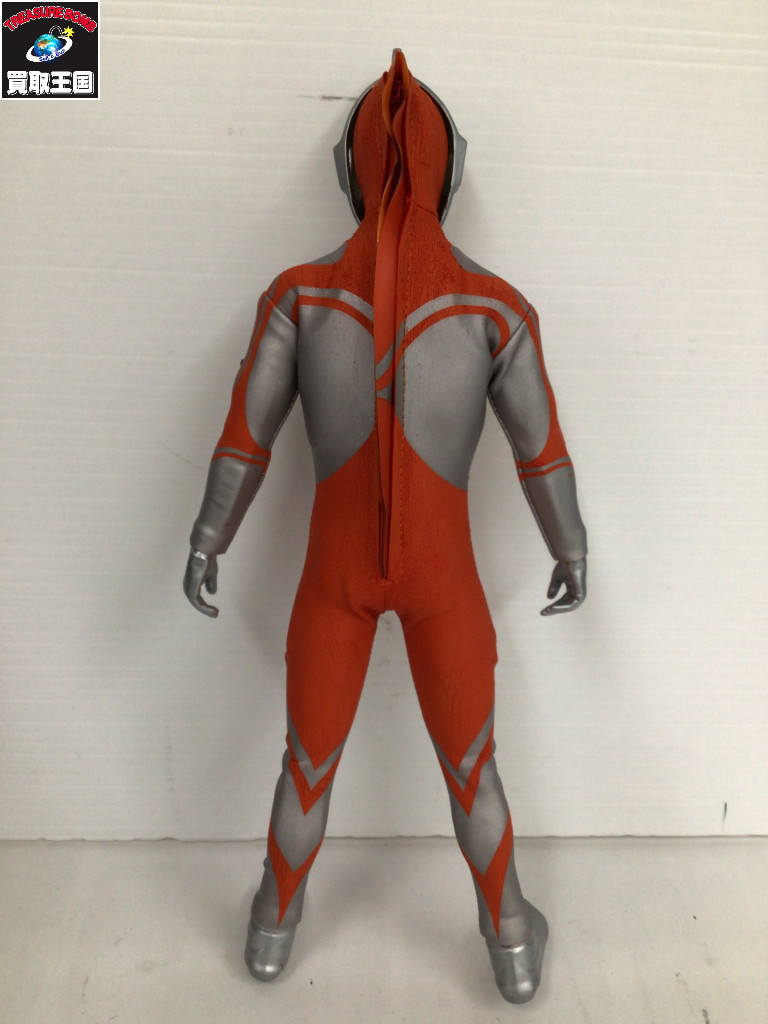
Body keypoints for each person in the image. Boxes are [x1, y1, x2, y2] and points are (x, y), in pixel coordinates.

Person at [184, 50, 587, 1004]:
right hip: (444, 579)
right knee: (472, 770)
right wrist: (570, 548)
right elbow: (542, 455)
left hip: (333, 577)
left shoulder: (300, 298)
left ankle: (272, 930)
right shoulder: (496, 310)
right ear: (453, 173)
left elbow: (245, 439)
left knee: (307, 766)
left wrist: (208, 538)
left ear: (348, 171)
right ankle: (512, 941)